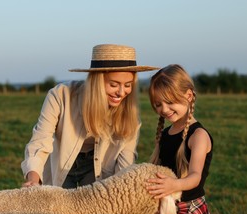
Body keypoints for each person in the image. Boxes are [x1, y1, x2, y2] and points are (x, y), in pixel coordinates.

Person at [21, 44, 159, 188]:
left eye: (128, 85)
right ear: (97, 81)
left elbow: (125, 161)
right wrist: (33, 180)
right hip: (61, 163)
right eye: (113, 84)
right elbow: (40, 140)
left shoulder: (129, 115)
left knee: (94, 209)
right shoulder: (60, 96)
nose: (121, 92)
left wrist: (122, 188)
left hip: (99, 168)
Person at [145, 64, 220, 214]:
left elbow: (195, 176)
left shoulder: (199, 135)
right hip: (167, 211)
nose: (164, 109)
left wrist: (173, 185)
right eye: (158, 104)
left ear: (188, 96)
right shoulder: (166, 134)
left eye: (170, 102)